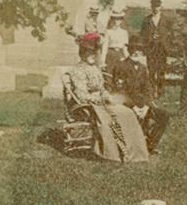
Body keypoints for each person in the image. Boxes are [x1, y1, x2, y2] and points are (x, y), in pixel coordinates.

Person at [61, 32, 148, 163]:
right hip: (89, 105)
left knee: (128, 113)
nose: (91, 56)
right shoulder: (77, 70)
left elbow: (102, 88)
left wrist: (107, 95)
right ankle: (113, 153)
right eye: (88, 53)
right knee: (116, 116)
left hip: (102, 102)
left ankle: (134, 152)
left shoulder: (94, 68)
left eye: (94, 53)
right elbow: (82, 95)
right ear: (82, 53)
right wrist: (101, 99)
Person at [136, 0, 170, 96]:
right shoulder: (147, 20)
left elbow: (170, 34)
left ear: (161, 6)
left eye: (158, 6)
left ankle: (160, 91)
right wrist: (147, 42)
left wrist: (166, 44)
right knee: (151, 70)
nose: (156, 8)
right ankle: (150, 91)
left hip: (162, 49)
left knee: (161, 71)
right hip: (151, 48)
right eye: (154, 6)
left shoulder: (166, 19)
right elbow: (142, 34)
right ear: (151, 6)